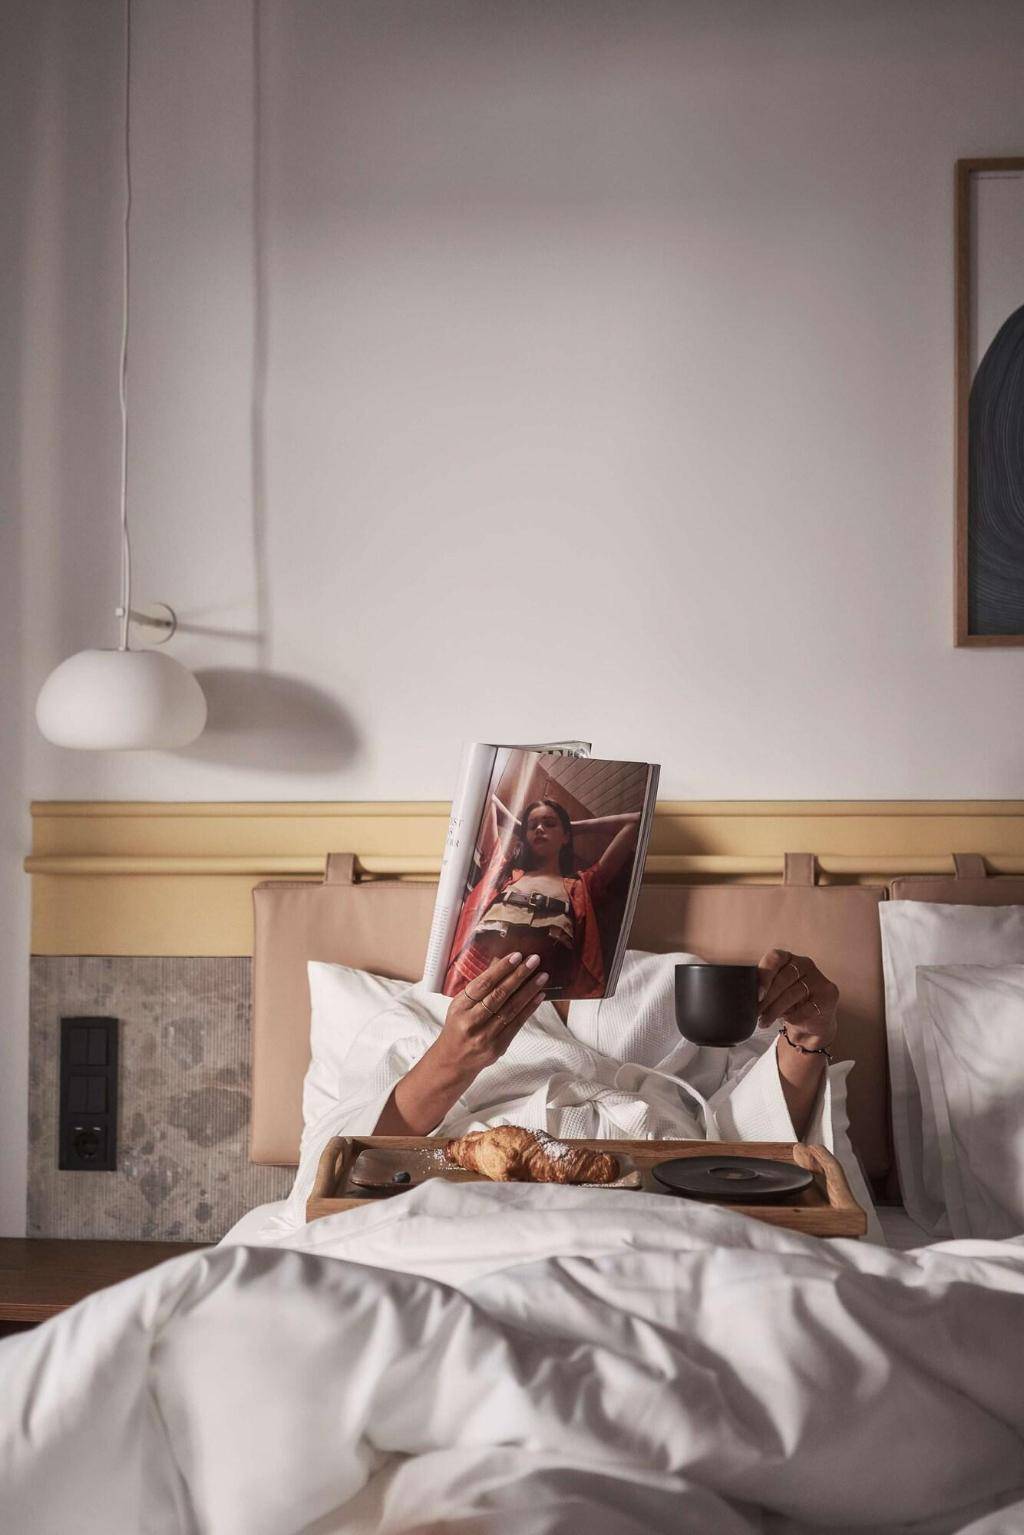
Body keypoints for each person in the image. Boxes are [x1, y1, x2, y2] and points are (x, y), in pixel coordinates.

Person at [374, 944, 841, 1142]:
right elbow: (351, 1156)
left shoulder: (684, 982)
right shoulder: (422, 1008)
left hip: (669, 1203)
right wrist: (451, 1060)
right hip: (483, 1203)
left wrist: (807, 1035)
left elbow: (763, 1139)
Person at [443, 795, 641, 999]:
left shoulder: (582, 886)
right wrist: (520, 827)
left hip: (537, 998)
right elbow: (487, 801)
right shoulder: (503, 872)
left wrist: (572, 828)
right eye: (532, 826)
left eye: (549, 824)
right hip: (471, 983)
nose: (539, 829)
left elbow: (635, 822)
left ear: (565, 837)